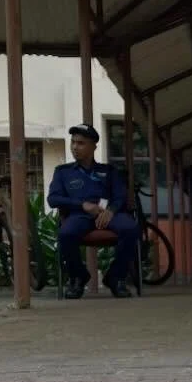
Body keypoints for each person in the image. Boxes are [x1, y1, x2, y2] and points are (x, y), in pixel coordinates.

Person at [47, 123, 139, 299]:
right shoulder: (63, 172)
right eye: (73, 142)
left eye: (81, 143)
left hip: (108, 214)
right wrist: (82, 205)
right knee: (66, 233)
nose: (75, 147)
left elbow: (120, 196)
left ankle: (116, 277)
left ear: (93, 147)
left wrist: (111, 210)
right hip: (79, 215)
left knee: (130, 228)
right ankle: (78, 277)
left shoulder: (109, 171)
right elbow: (53, 199)